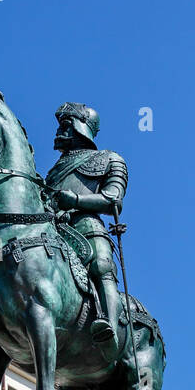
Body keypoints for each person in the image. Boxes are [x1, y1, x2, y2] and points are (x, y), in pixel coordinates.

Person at [45, 103, 128, 351]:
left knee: (102, 265)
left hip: (86, 227)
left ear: (81, 128)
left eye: (65, 126)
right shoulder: (53, 171)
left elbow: (113, 199)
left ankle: (109, 325)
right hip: (52, 229)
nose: (59, 131)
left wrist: (76, 200)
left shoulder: (110, 159)